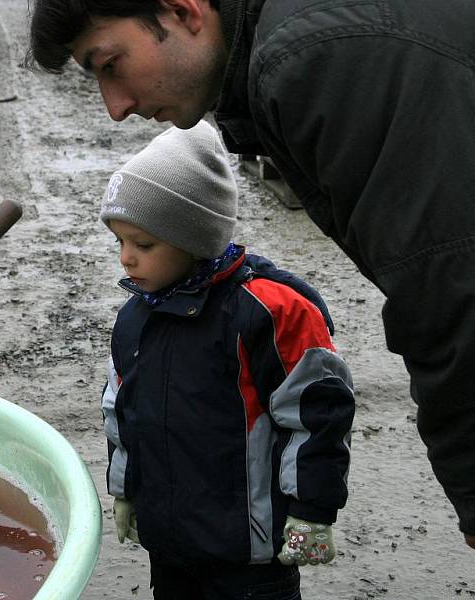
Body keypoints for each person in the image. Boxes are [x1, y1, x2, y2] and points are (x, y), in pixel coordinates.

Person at [26, 0, 475, 549]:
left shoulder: (311, 55)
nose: (114, 107)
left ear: (182, 9)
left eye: (110, 64)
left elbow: (450, 287)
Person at [98, 120, 355, 599]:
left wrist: (313, 511)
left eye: (144, 245)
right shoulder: (136, 319)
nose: (126, 260)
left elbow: (319, 414)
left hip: (251, 555)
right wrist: (127, 491)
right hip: (172, 547)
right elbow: (121, 412)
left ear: (194, 236)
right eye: (120, 241)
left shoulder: (268, 312)